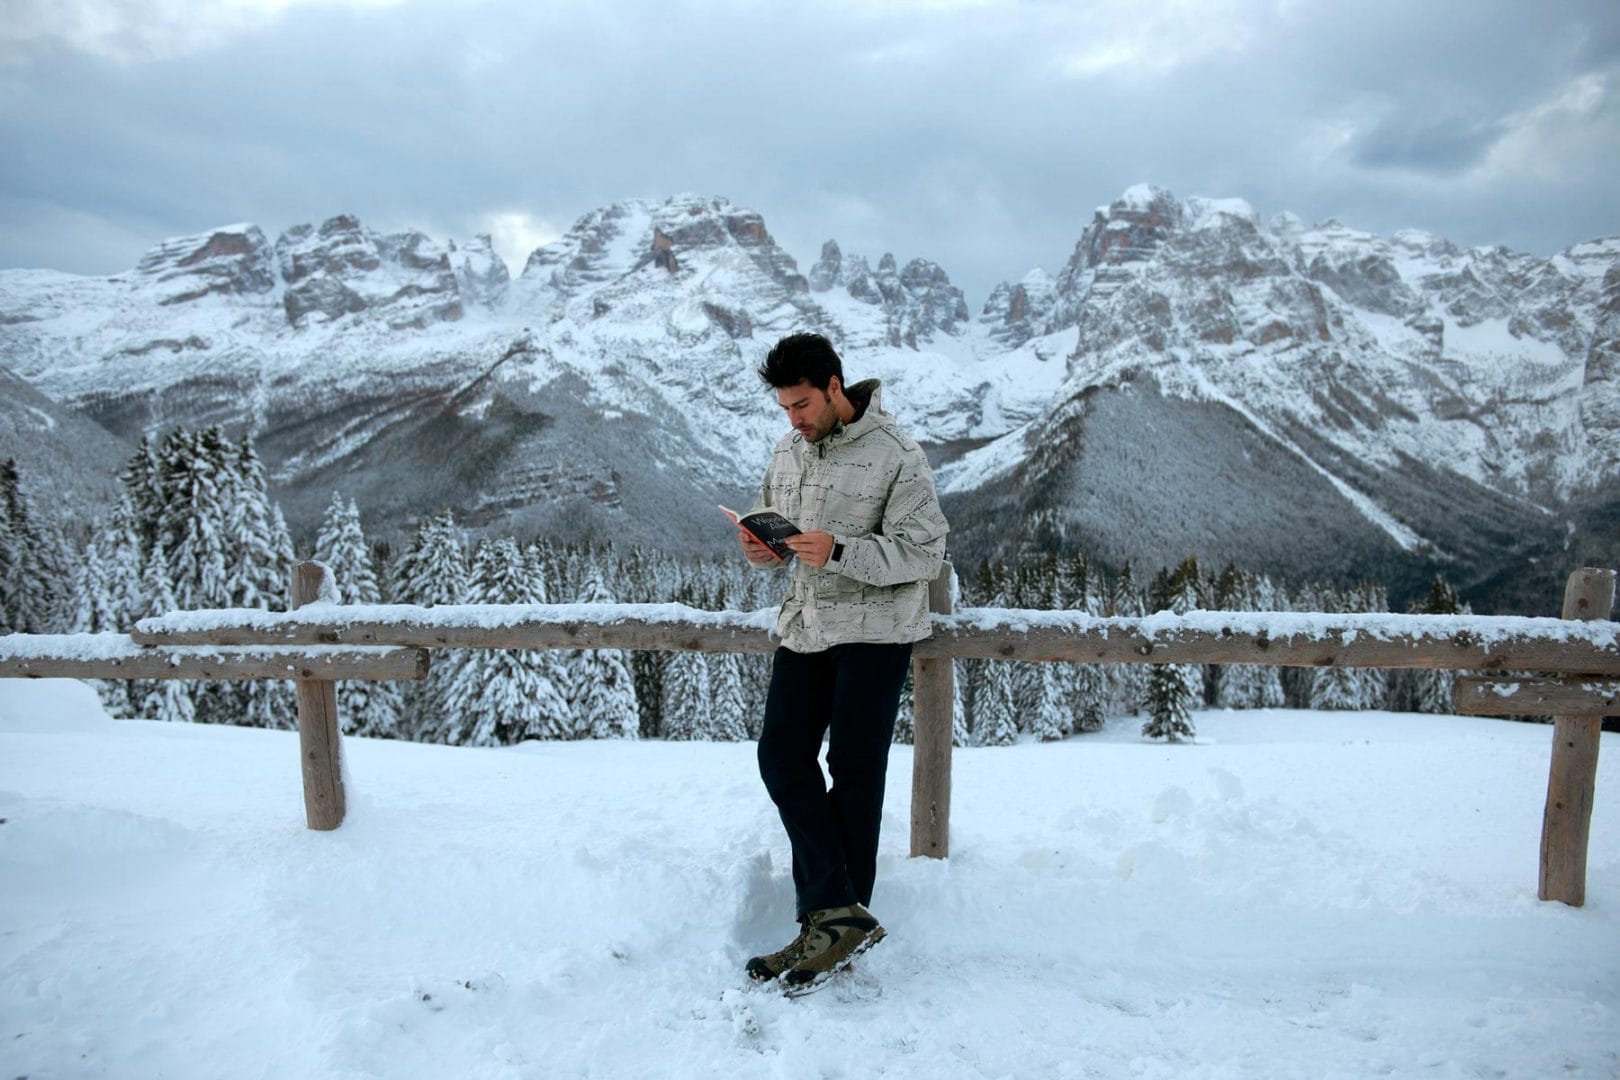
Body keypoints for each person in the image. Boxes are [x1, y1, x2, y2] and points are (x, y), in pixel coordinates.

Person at [736, 331, 949, 993]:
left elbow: (924, 554)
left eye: (801, 405)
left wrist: (840, 552)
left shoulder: (896, 455)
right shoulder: (787, 450)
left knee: (854, 774)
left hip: (877, 631)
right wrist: (763, 551)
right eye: (784, 409)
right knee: (781, 757)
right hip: (807, 626)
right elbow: (782, 531)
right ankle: (836, 917)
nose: (793, 420)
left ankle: (826, 928)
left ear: (834, 387)